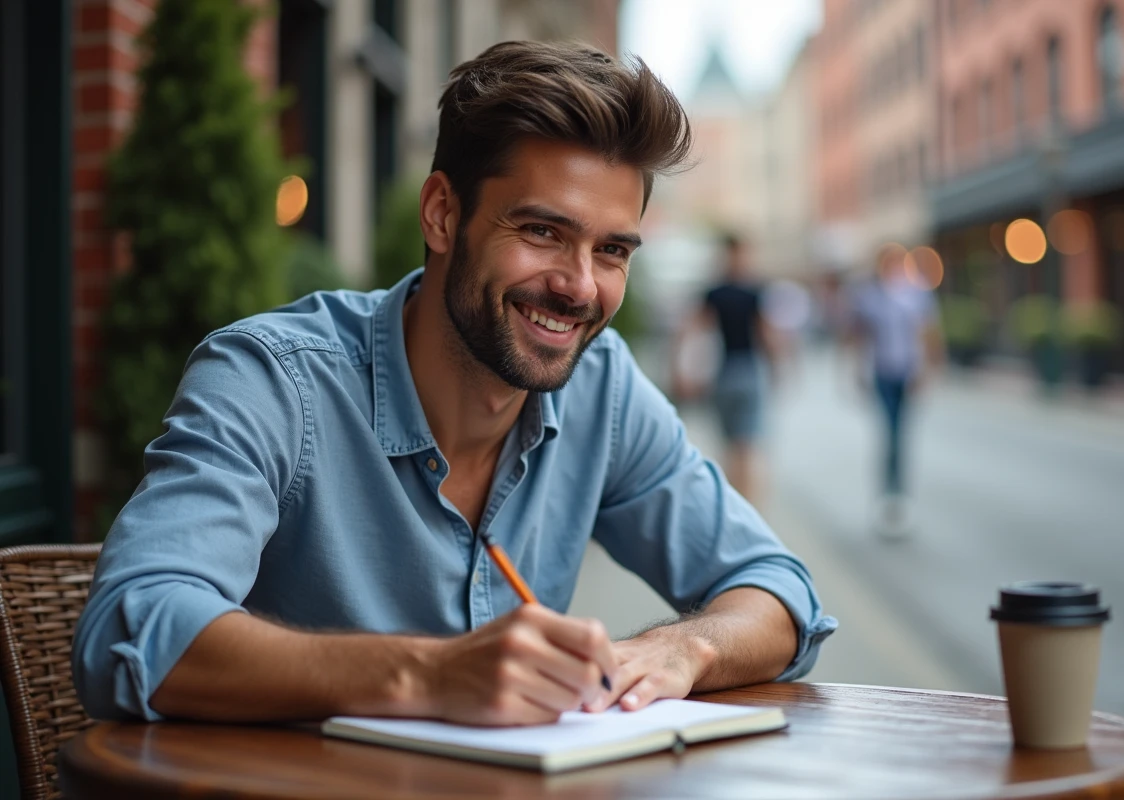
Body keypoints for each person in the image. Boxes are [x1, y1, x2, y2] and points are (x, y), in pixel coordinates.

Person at [73, 42, 836, 727]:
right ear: (442, 214)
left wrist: (682, 649)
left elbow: (777, 591)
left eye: (612, 251)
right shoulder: (273, 380)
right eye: (542, 231)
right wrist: (427, 674)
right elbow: (129, 631)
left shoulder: (602, 389)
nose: (579, 286)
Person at [673, 234, 778, 504]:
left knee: (731, 447)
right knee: (747, 446)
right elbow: (767, 334)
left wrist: (681, 369)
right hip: (747, 371)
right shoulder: (754, 292)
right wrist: (777, 367)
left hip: (722, 373)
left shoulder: (714, 293)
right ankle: (750, 506)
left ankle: (735, 505)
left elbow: (689, 331)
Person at [849, 243, 942, 539]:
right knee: (889, 433)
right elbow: (860, 335)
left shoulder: (917, 293)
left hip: (907, 372)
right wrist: (857, 369)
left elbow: (928, 332)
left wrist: (928, 369)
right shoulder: (870, 295)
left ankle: (900, 494)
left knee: (901, 434)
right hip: (882, 372)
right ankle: (888, 494)